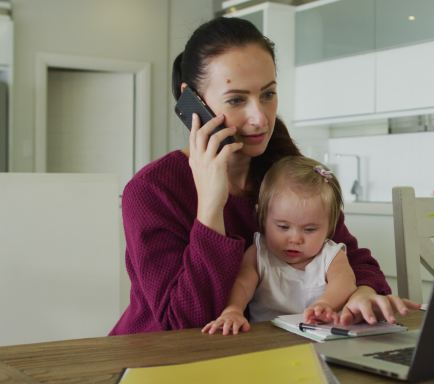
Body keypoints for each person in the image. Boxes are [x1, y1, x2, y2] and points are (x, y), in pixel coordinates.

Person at [109, 17, 417, 336]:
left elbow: (348, 257)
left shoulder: (288, 173)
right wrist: (211, 210)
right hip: (157, 360)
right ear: (192, 101)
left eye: (268, 95)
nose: (260, 118)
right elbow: (184, 323)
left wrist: (364, 292)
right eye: (236, 100)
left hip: (264, 352)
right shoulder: (151, 191)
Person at [203, 156, 356, 335]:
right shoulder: (259, 254)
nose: (295, 239)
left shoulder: (330, 255)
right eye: (283, 227)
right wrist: (233, 310)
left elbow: (345, 284)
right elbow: (242, 284)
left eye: (309, 229)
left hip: (318, 337)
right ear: (262, 217)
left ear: (330, 226)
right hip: (267, 339)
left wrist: (326, 303)